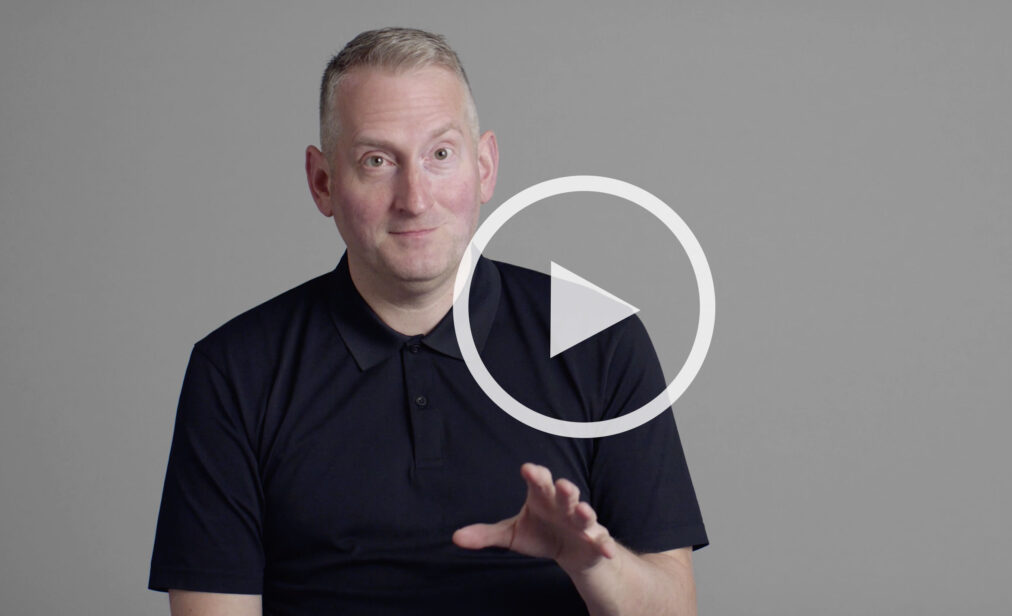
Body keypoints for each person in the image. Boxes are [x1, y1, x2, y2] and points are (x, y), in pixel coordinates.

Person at [148, 27, 707, 615]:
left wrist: (594, 564)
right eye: (377, 161)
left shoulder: (601, 341)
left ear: (484, 167)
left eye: (440, 154)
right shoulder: (235, 371)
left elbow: (675, 607)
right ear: (323, 182)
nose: (414, 198)